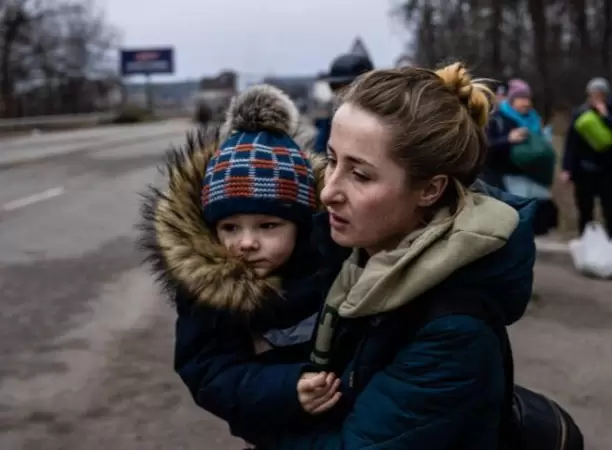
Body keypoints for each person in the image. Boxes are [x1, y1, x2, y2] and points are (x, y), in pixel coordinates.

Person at [155, 63, 536, 449]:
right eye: (333, 160)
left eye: (361, 175)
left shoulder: (453, 331)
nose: (327, 192)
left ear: (430, 190)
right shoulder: (355, 253)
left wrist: (261, 414)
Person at [138, 84, 349, 444]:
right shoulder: (211, 291)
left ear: (302, 225)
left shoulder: (336, 262)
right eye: (229, 227)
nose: (246, 243)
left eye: (268, 226)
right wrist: (286, 390)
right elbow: (209, 372)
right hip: (275, 428)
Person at [561, 77, 612, 237]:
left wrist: (605, 116)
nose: (596, 97)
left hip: (608, 169)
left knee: (610, 209)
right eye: (593, 94)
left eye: (600, 94)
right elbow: (571, 142)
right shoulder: (581, 112)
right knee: (585, 209)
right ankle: (587, 240)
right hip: (584, 169)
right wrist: (567, 168)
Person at [486, 78, 557, 235]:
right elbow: (486, 147)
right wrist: (508, 140)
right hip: (506, 179)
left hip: (534, 178)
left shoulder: (534, 119)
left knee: (537, 223)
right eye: (521, 98)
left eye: (527, 98)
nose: (526, 102)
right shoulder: (497, 119)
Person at [313, 52, 374, 154]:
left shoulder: (381, 123)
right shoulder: (328, 121)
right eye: (335, 87)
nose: (340, 94)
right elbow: (319, 152)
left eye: (346, 87)